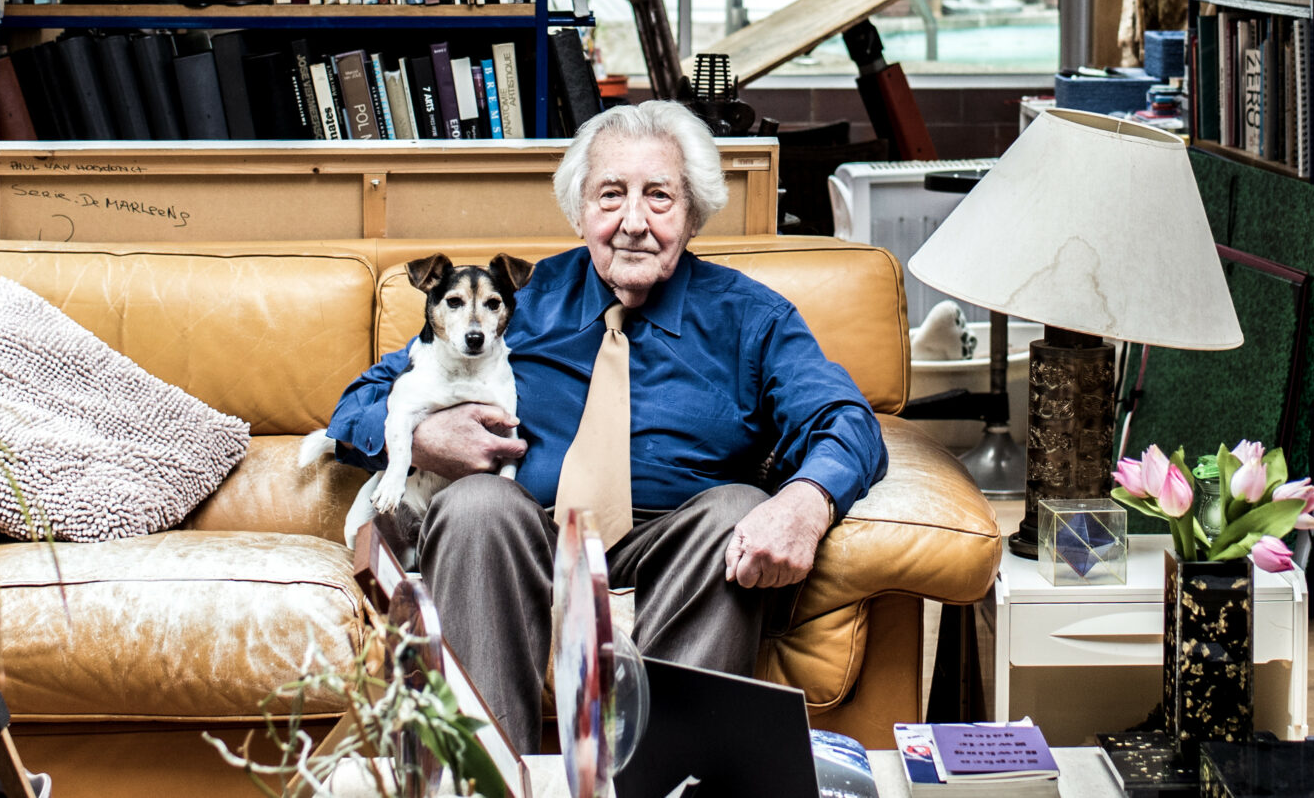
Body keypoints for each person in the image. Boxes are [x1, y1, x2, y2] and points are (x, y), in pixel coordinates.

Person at [319, 101, 889, 751]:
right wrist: (422, 439)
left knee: (737, 508)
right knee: (475, 503)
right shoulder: (517, 303)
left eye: (659, 196)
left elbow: (846, 419)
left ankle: (668, 778)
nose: (633, 222)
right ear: (580, 210)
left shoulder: (750, 318)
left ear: (694, 212)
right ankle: (485, 777)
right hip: (526, 527)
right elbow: (357, 405)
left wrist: (807, 502)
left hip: (673, 536)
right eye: (611, 195)